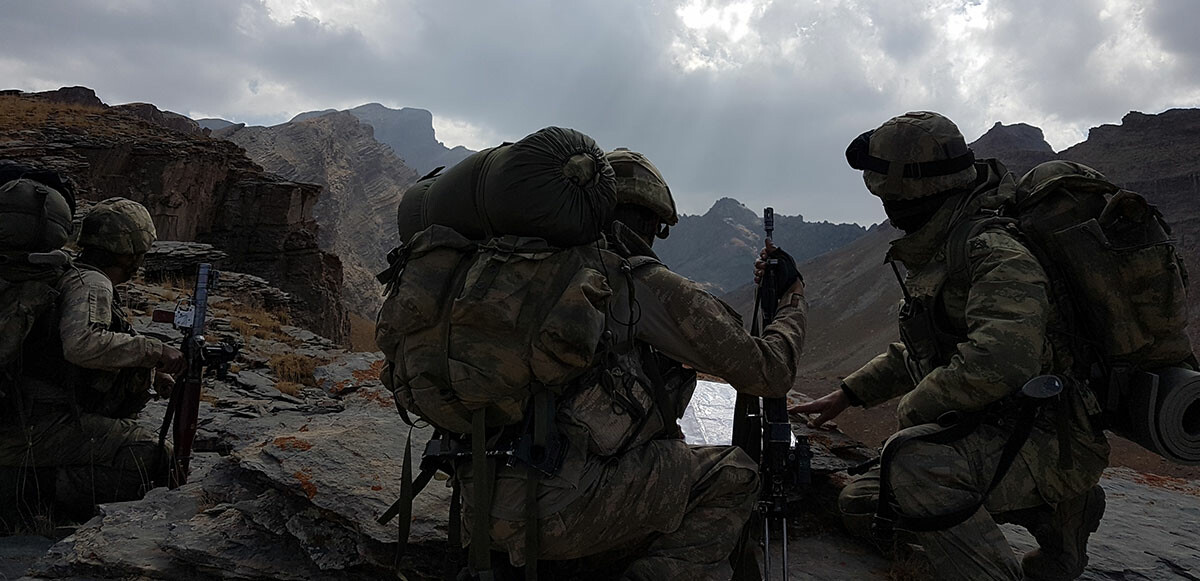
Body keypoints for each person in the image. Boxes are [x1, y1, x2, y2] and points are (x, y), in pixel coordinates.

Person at [458, 148, 808, 580]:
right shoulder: (634, 281)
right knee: (734, 474)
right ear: (648, 221)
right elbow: (770, 372)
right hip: (559, 512)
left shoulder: (527, 270)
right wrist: (792, 297)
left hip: (479, 507)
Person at [792, 111, 1110, 580]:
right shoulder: (950, 237)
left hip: (1048, 437)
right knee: (862, 505)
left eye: (884, 192)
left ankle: (1044, 515)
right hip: (1002, 428)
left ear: (906, 191)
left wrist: (913, 412)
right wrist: (850, 393)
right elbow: (927, 349)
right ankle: (1060, 513)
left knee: (915, 464)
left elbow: (1001, 360)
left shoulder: (990, 249)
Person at [0, 197, 184, 528]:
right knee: (153, 456)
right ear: (130, 251)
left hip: (18, 416)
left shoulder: (64, 272)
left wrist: (145, 370)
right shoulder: (92, 283)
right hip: (33, 426)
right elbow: (82, 346)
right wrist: (155, 351)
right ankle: (34, 496)